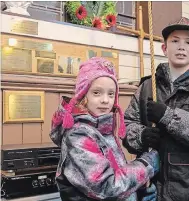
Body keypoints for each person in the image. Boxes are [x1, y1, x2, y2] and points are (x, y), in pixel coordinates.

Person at [123, 17, 189, 201]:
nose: (181, 47)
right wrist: (141, 136)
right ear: (164, 48)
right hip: (150, 186)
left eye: (188, 42)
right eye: (175, 41)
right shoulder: (147, 87)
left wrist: (167, 116)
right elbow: (127, 125)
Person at [50, 57, 159, 201]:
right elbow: (108, 187)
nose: (105, 100)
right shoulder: (79, 136)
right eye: (97, 93)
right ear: (83, 95)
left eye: (111, 94)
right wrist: (147, 165)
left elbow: (117, 177)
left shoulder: (104, 130)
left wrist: (137, 192)